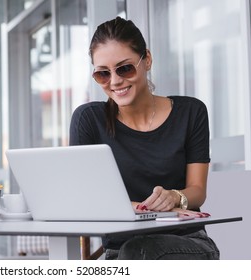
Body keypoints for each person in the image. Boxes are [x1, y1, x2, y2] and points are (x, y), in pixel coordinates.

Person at [69, 17, 220, 260]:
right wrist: (138, 209)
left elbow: (198, 191)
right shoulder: (88, 120)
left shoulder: (191, 112)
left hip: (186, 245)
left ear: (146, 59)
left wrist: (175, 197)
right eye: (102, 74)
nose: (115, 81)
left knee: (137, 250)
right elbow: (86, 198)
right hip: (120, 251)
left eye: (125, 68)